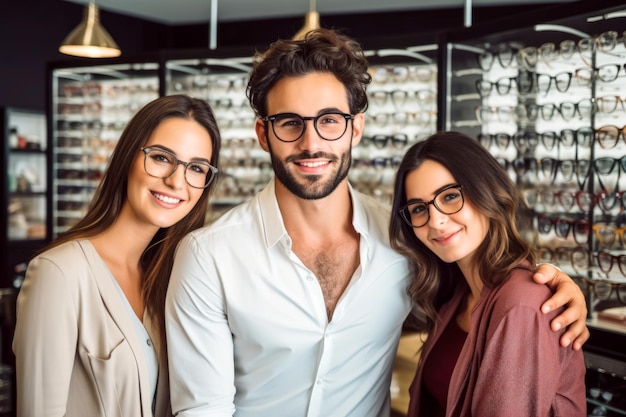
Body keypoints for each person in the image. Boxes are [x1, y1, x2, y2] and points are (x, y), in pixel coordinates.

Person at [165, 29, 588, 417]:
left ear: (355, 129)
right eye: (290, 123)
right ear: (263, 134)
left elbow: (484, 289)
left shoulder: (406, 238)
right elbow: (203, 408)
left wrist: (555, 288)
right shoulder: (209, 255)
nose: (311, 143)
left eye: (330, 121)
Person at [13, 94, 221, 417]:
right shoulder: (59, 274)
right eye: (162, 157)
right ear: (128, 157)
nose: (176, 181)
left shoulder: (170, 278)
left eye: (196, 168)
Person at [389, 131, 586, 416]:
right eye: (419, 208)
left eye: (450, 196)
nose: (436, 220)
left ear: (487, 190)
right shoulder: (457, 294)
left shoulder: (521, 305)